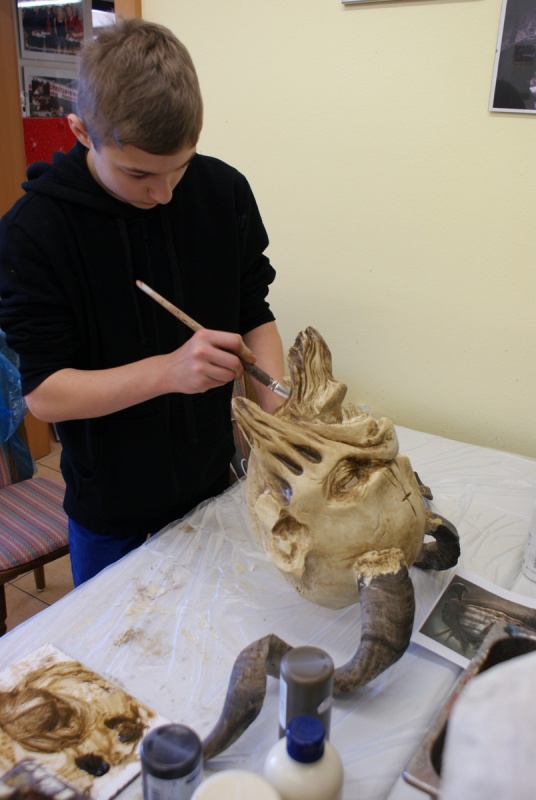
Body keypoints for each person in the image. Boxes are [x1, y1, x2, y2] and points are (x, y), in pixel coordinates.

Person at [0, 18, 285, 586]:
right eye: (138, 173)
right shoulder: (34, 231)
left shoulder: (222, 191)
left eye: (180, 167)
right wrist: (169, 372)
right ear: (81, 132)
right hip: (111, 510)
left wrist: (282, 429)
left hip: (213, 488)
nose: (164, 193)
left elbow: (254, 313)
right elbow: (46, 394)